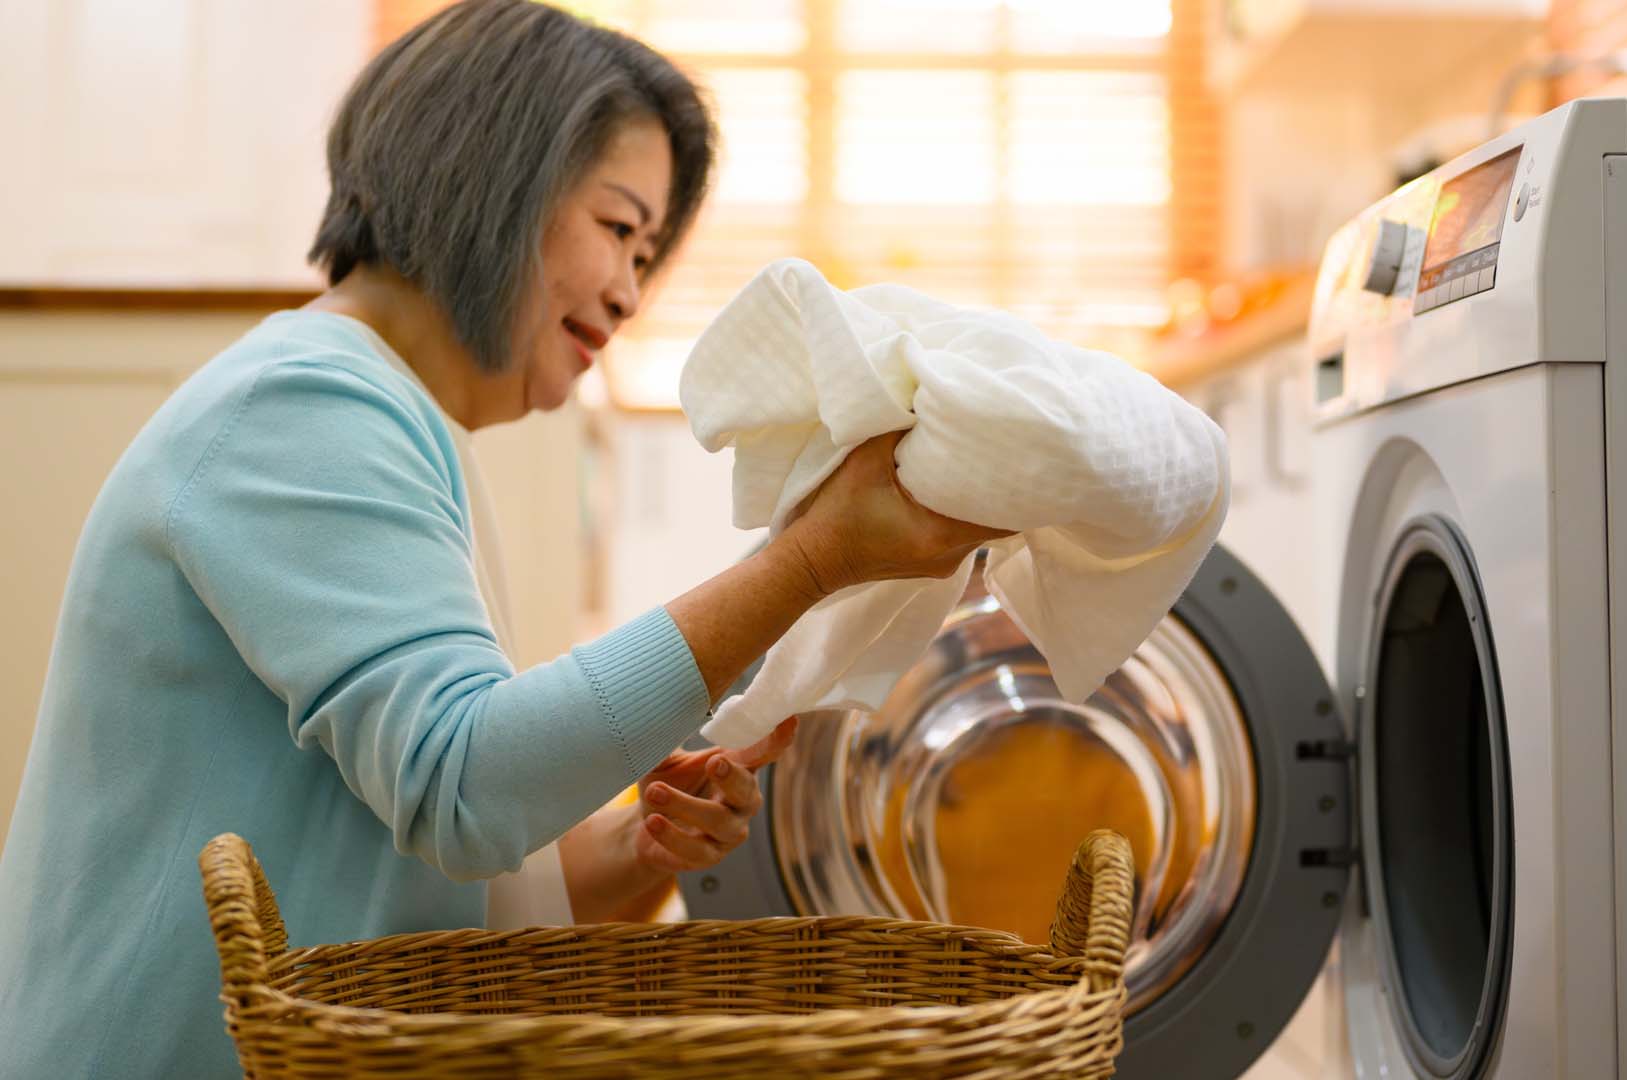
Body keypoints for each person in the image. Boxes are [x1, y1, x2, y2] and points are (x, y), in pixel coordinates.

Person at [0, 2, 1005, 1075]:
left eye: (648, 254)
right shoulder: (300, 408)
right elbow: (464, 785)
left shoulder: (382, 423)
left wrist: (634, 846)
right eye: (619, 230)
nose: (629, 292)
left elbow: (444, 873)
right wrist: (809, 562)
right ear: (496, 176)